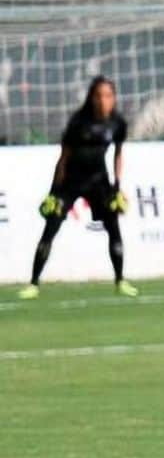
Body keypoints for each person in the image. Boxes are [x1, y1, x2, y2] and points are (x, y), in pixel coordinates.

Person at [18, 75, 138, 299]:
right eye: (100, 96)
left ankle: (120, 280)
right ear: (92, 98)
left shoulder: (117, 123)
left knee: (113, 225)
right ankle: (33, 283)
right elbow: (63, 158)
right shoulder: (79, 122)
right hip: (71, 182)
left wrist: (117, 186)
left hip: (99, 181)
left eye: (109, 96)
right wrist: (54, 191)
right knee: (51, 228)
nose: (104, 101)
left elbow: (118, 155)